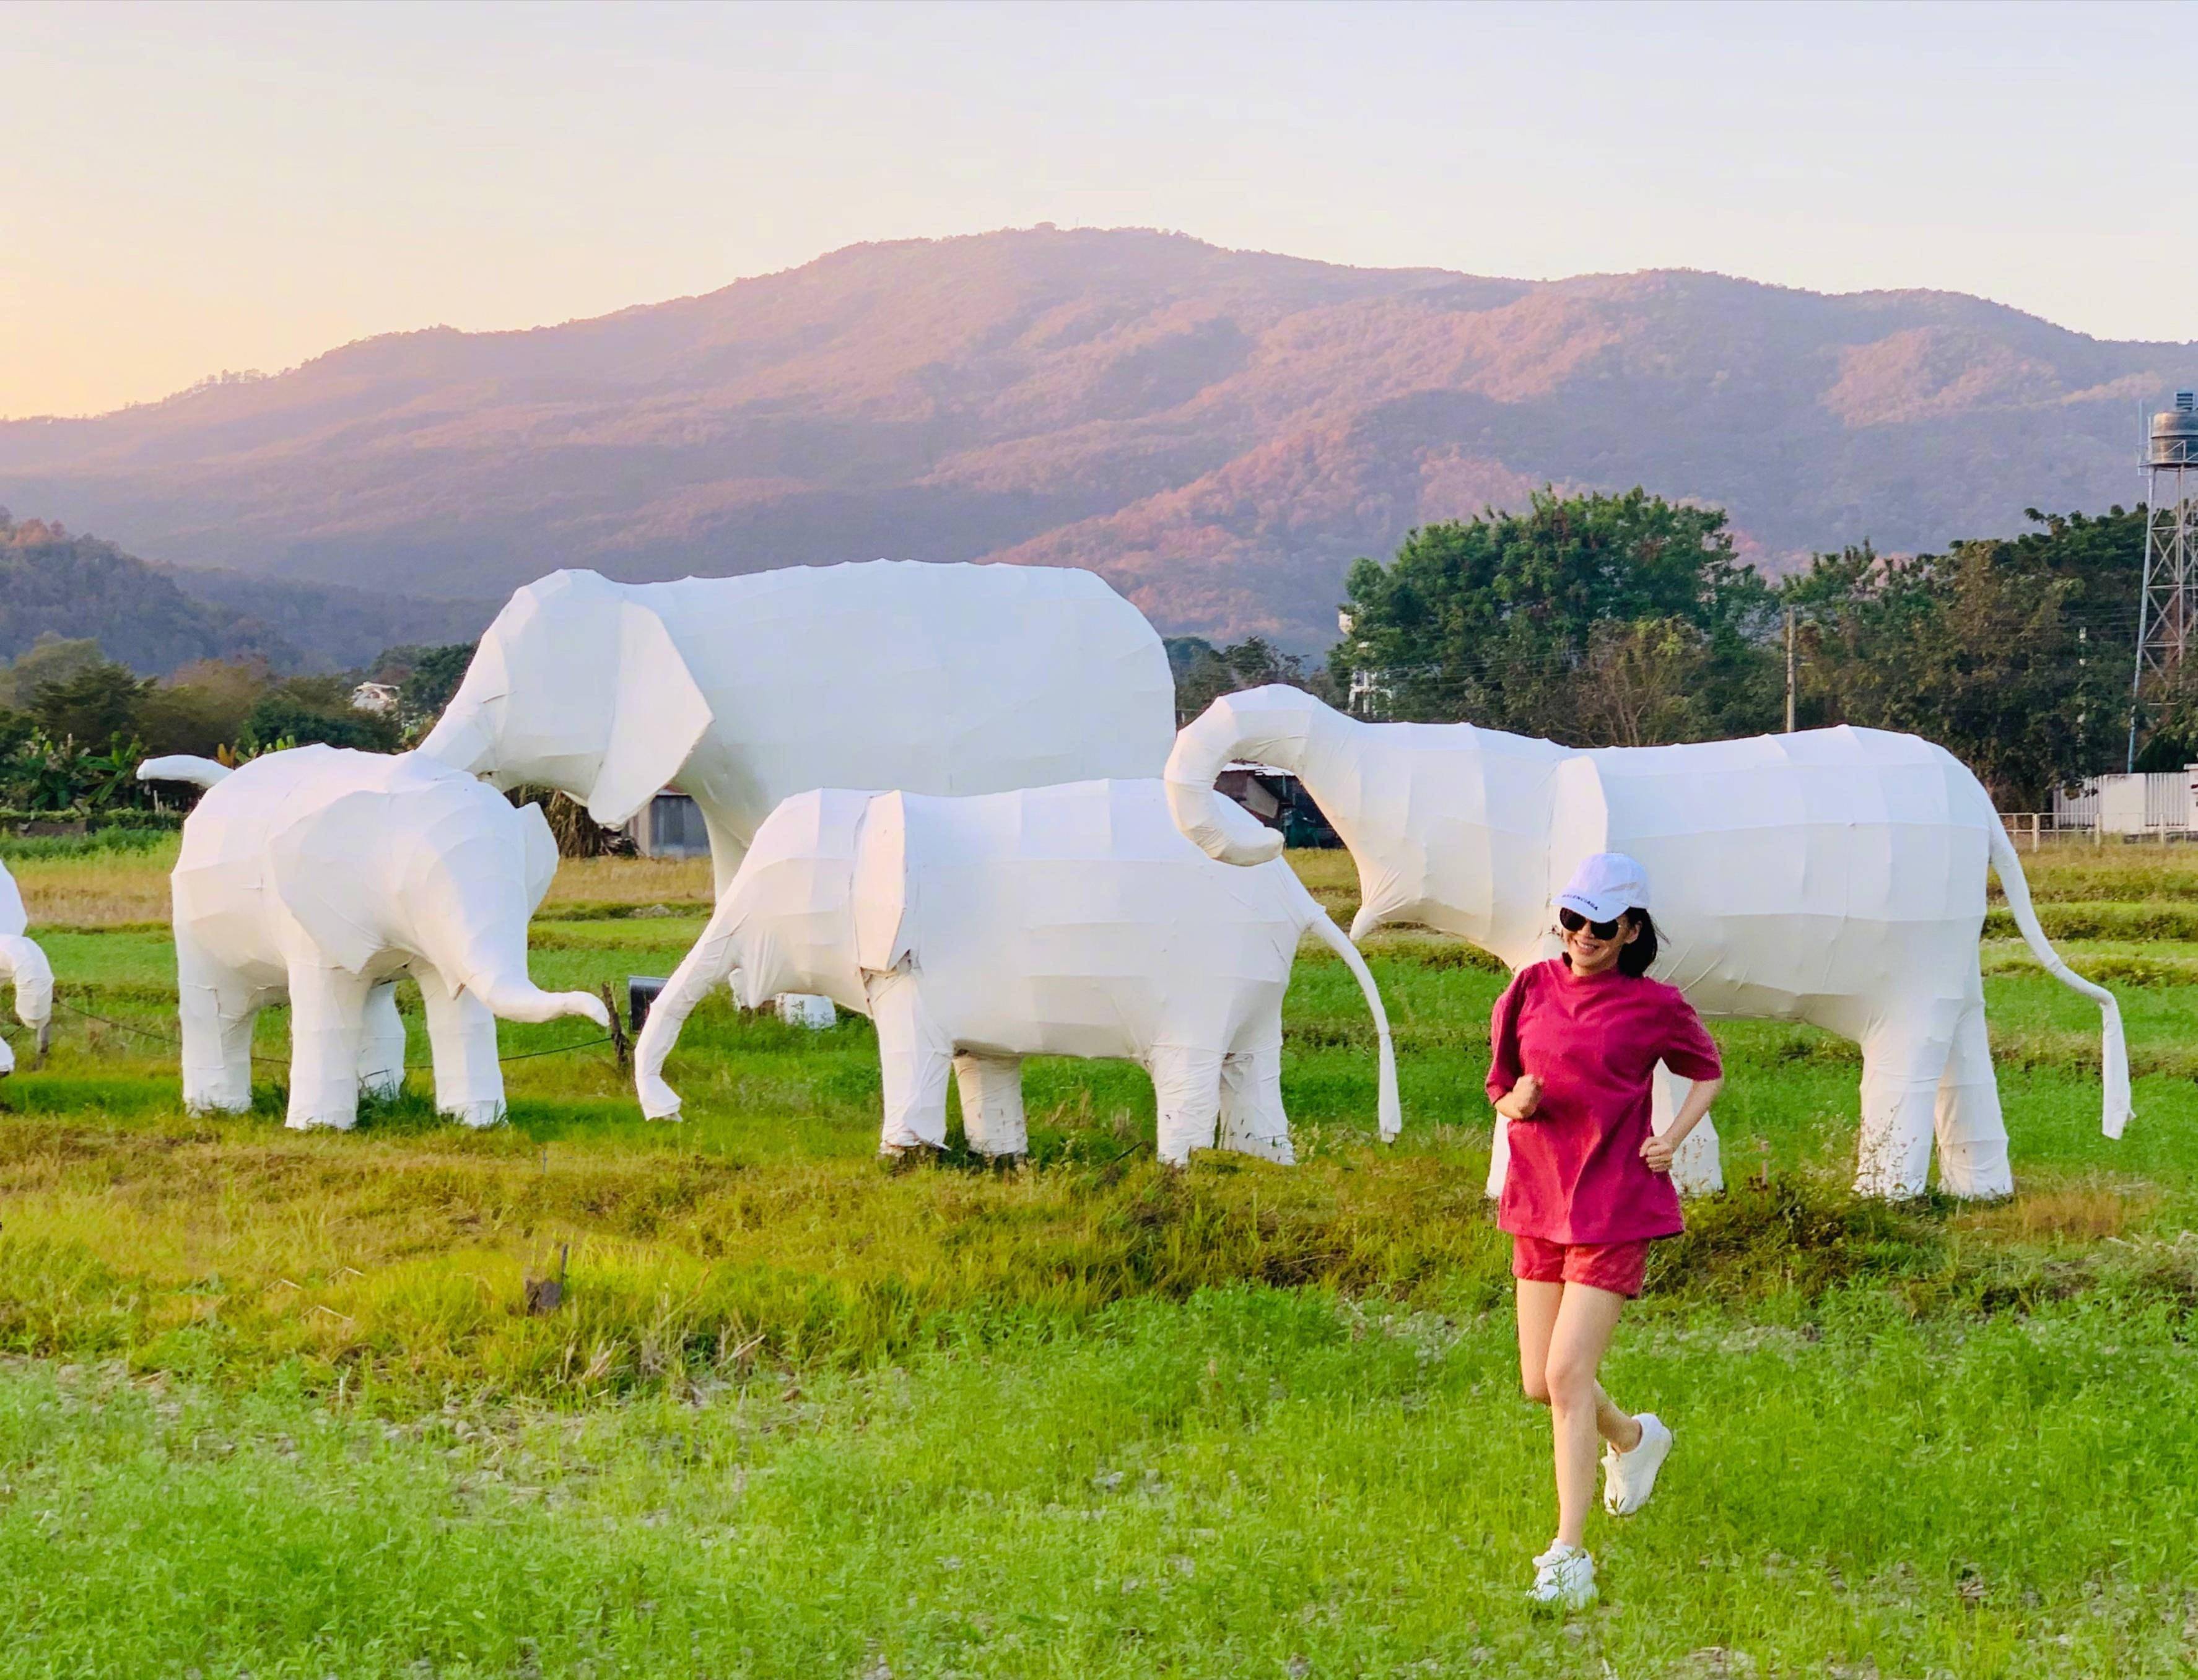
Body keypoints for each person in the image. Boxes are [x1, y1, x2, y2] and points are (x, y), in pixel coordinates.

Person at [1485, 852, 1723, 1611]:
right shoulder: (1528, 987)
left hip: (1616, 1203)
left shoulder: (1656, 1005)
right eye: (1573, 918)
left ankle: (1568, 1554)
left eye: (1600, 923)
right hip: (1538, 1201)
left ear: (1630, 929)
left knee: (1564, 1377)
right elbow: (1499, 1083)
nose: (1583, 934)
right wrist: (1514, 1102)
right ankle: (1631, 1437)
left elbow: (1708, 1070)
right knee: (1539, 1381)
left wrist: (1674, 1136)